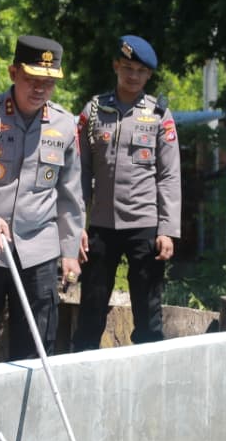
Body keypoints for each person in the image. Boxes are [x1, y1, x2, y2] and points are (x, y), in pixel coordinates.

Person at [0, 35, 83, 367]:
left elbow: (69, 194)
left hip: (38, 253)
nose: (40, 89)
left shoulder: (65, 124)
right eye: (32, 79)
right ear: (13, 73)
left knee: (35, 351)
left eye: (48, 83)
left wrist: (69, 252)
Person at [71, 35, 181, 350]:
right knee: (91, 304)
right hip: (102, 224)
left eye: (141, 72)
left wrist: (167, 230)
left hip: (145, 225)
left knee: (148, 310)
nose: (133, 76)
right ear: (116, 66)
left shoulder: (159, 114)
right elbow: (81, 170)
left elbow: (170, 174)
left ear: (149, 76)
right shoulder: (94, 110)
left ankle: (149, 370)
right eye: (128, 68)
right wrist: (78, 224)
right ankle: (83, 367)